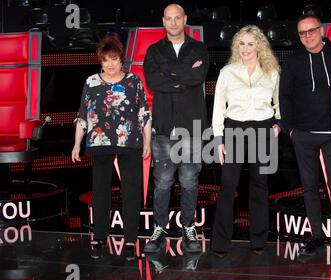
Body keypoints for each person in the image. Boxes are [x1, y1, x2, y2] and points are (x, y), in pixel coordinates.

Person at [72, 35, 152, 259]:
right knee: (100, 190)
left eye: (114, 59)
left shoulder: (133, 81)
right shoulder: (91, 82)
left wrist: (147, 142)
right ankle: (99, 236)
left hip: (130, 141)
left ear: (121, 60)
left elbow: (144, 113)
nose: (110, 64)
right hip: (99, 141)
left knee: (131, 190)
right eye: (105, 60)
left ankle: (130, 238)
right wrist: (77, 144)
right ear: (100, 60)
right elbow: (82, 115)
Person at [279, 14, 331, 260]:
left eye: (311, 30)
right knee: (309, 188)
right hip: (303, 135)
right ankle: (316, 237)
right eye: (302, 33)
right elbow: (284, 96)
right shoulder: (293, 60)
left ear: (321, 30)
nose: (307, 36)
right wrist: (290, 129)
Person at [142, 3, 209, 254]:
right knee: (163, 182)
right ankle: (159, 228)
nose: (172, 23)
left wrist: (169, 75)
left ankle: (188, 227)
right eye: (168, 19)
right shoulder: (154, 50)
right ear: (163, 21)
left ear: (185, 20)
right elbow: (153, 81)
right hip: (163, 127)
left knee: (190, 180)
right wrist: (182, 75)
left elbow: (198, 76)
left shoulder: (199, 48)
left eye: (177, 18)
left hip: (192, 127)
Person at [211, 25, 281, 257]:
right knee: (228, 185)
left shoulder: (272, 73)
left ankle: (259, 241)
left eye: (250, 43)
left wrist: (278, 125)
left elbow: (279, 105)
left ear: (259, 45)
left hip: (263, 129)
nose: (245, 48)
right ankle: (220, 243)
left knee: (259, 185)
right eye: (241, 43)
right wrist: (219, 139)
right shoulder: (227, 72)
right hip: (235, 129)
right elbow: (218, 109)